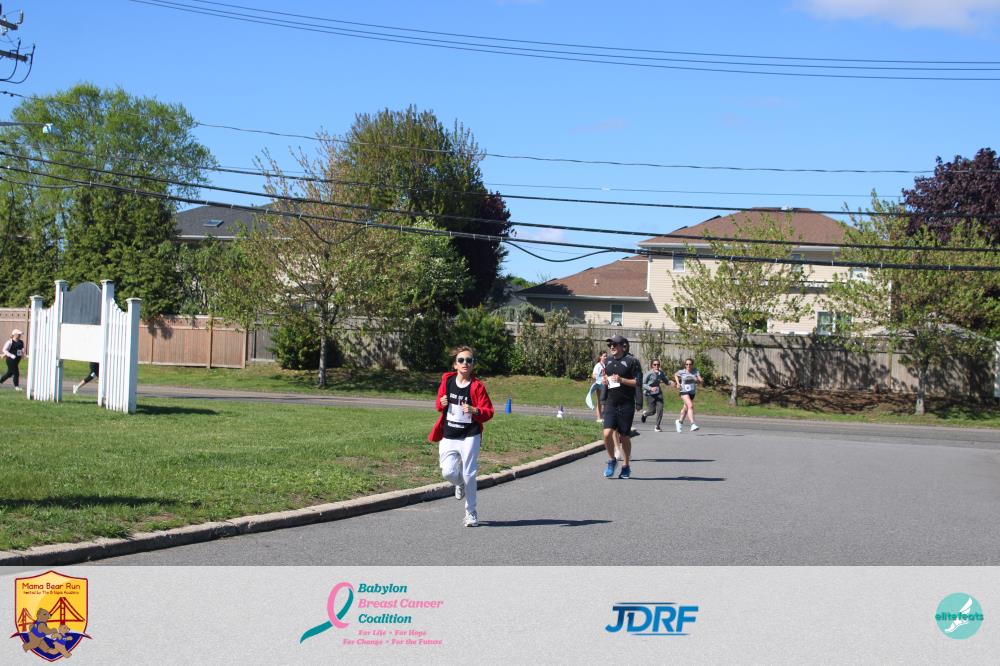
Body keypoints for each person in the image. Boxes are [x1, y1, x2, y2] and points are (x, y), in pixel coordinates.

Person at [428, 345, 494, 527]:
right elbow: (439, 404)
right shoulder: (447, 382)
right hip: (449, 434)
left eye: (469, 360)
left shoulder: (477, 386)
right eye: (461, 360)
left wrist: (475, 410)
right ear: (455, 364)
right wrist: (441, 403)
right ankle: (459, 483)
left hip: (470, 435)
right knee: (448, 471)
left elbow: (489, 411)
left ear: (473, 365)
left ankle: (471, 513)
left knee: (469, 473)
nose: (465, 363)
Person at [601, 334, 641, 479]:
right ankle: (612, 460)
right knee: (606, 434)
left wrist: (622, 380)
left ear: (622, 346)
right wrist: (605, 382)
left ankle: (626, 465)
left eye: (614, 344)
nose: (612, 347)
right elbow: (606, 379)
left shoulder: (632, 361)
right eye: (610, 345)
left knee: (624, 437)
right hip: (611, 403)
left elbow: (638, 382)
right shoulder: (607, 361)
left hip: (626, 404)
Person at [640, 358, 671, 432]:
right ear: (652, 365)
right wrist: (650, 388)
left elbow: (665, 380)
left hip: (658, 393)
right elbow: (642, 384)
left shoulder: (661, 372)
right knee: (652, 411)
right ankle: (645, 414)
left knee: (660, 409)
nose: (656, 366)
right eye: (655, 364)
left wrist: (670, 382)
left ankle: (657, 426)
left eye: (658, 364)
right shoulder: (649, 373)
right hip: (649, 394)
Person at [674, 357, 704, 432]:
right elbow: (675, 375)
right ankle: (692, 424)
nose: (688, 366)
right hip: (683, 391)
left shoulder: (695, 371)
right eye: (687, 364)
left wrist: (698, 380)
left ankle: (679, 422)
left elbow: (700, 380)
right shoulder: (682, 372)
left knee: (686, 408)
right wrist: (678, 383)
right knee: (690, 405)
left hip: (692, 392)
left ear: (692, 365)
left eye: (690, 364)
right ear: (685, 365)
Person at [586, 351, 607, 421]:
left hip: (605, 385)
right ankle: (599, 418)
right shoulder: (598, 365)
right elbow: (593, 375)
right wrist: (598, 378)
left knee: (606, 402)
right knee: (600, 401)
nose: (605, 357)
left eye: (606, 356)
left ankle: (604, 416)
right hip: (599, 385)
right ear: (600, 357)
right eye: (604, 356)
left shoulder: (606, 365)